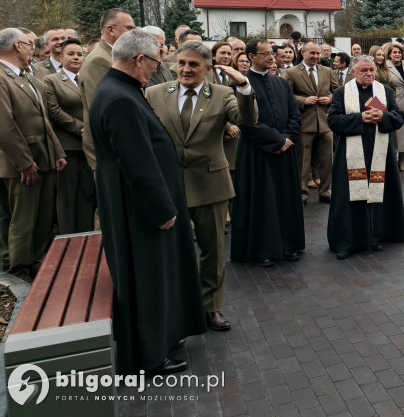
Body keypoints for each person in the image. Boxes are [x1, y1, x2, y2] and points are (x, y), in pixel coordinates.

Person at [88, 29, 205, 375]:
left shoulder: (118, 89)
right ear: (140, 59)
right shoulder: (120, 97)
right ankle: (149, 356)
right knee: (148, 278)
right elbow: (136, 162)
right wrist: (161, 209)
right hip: (138, 210)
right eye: (155, 62)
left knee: (160, 274)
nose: (157, 69)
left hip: (134, 204)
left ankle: (164, 336)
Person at [146, 41, 256, 332]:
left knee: (213, 251)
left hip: (211, 185)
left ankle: (211, 308)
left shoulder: (221, 94)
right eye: (182, 63)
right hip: (169, 187)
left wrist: (244, 86)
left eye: (194, 65)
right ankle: (177, 307)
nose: (186, 69)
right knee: (171, 252)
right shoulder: (155, 93)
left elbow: (247, 119)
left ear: (208, 68)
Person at [0, 28, 66, 276]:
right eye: (29, 44)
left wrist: (56, 151)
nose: (33, 49)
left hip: (42, 157)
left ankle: (37, 265)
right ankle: (20, 272)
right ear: (17, 46)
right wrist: (24, 163)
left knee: (41, 220)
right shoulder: (0, 76)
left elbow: (41, 119)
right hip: (21, 165)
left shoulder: (23, 76)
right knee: (23, 221)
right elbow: (4, 126)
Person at [231, 39, 304, 266]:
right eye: (264, 54)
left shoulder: (281, 84)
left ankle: (287, 245)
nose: (271, 57)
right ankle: (262, 249)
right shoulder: (241, 85)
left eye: (271, 53)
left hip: (284, 151)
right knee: (262, 201)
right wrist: (276, 139)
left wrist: (288, 138)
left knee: (285, 198)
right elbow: (246, 122)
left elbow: (294, 115)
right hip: (257, 153)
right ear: (251, 56)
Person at [326, 56, 404, 259]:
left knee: (379, 195)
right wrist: (359, 118)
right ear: (353, 72)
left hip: (380, 153)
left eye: (372, 70)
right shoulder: (341, 93)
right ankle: (348, 241)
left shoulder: (385, 91)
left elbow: (399, 117)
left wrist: (383, 117)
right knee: (349, 197)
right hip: (350, 155)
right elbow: (333, 121)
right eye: (364, 70)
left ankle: (376, 236)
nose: (369, 73)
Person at [41, 38, 95, 234]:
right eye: (71, 54)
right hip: (68, 146)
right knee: (67, 195)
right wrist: (80, 128)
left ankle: (86, 232)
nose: (76, 58)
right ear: (60, 57)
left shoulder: (89, 79)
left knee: (87, 193)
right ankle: (67, 236)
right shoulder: (51, 80)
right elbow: (53, 110)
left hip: (89, 146)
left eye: (80, 54)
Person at [284, 41, 338, 204]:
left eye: (317, 53)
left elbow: (339, 93)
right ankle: (302, 194)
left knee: (327, 161)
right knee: (303, 162)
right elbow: (285, 95)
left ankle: (325, 192)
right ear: (302, 52)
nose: (315, 56)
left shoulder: (327, 71)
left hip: (324, 123)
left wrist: (329, 98)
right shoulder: (292, 73)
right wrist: (302, 100)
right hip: (304, 123)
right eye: (312, 53)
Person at [80, 9, 134, 169]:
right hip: (107, 150)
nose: (133, 33)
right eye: (129, 28)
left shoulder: (111, 56)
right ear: (110, 30)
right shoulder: (100, 60)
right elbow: (104, 110)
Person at [385, 43, 404, 171]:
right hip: (394, 101)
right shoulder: (386, 66)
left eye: (399, 52)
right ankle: (392, 159)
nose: (397, 54)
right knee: (396, 132)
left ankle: (402, 160)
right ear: (389, 54)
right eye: (394, 52)